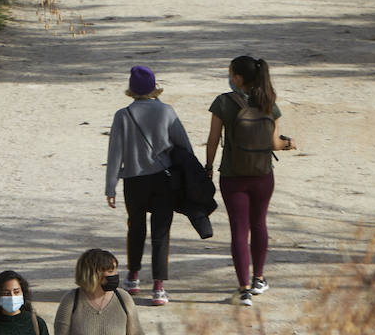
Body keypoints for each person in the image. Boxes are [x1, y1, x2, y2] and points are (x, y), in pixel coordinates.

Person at [204, 55, 297, 307]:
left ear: (237, 78)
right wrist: (288, 144)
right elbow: (274, 143)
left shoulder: (223, 102)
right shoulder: (268, 103)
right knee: (259, 224)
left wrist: (209, 167)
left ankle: (244, 289)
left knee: (239, 229)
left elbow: (213, 140)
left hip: (233, 176)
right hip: (263, 175)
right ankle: (259, 279)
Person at [105, 65, 194, 307]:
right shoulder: (167, 111)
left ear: (131, 90)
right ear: (154, 89)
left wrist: (110, 187)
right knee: (161, 233)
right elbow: (184, 145)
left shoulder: (122, 115)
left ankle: (133, 277)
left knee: (135, 228)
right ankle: (158, 287)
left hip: (134, 181)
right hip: (163, 180)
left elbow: (115, 153)